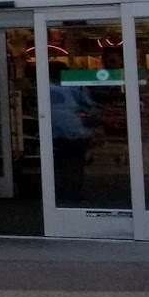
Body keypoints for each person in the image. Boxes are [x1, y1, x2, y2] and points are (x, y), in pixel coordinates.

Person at [47, 61, 94, 204]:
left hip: (52, 129)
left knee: (58, 160)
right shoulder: (75, 86)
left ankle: (59, 189)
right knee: (76, 161)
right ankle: (74, 191)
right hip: (74, 129)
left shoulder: (44, 87)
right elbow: (88, 104)